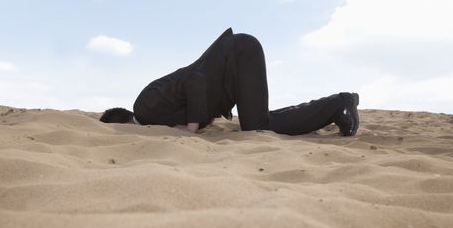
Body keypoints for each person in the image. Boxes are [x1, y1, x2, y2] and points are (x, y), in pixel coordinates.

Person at [100, 28, 360, 136]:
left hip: (238, 55)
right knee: (258, 121)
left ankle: (340, 104)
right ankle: (336, 105)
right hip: (234, 66)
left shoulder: (145, 107)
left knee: (256, 125)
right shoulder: (154, 118)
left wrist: (191, 127)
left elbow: (194, 79)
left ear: (122, 126)